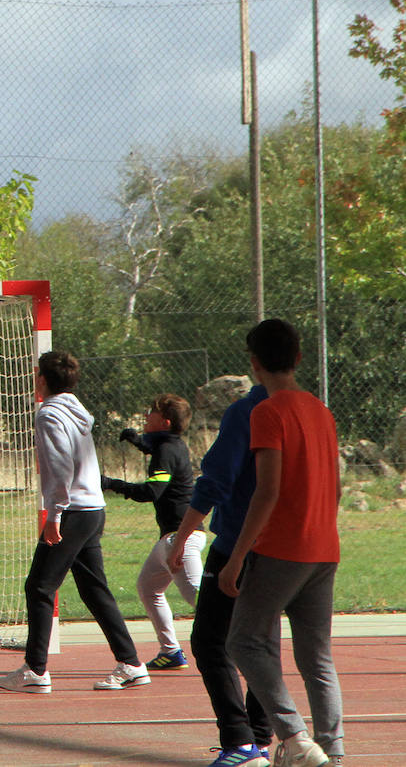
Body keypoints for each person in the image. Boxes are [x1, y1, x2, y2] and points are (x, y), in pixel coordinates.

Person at [219, 320, 343, 767]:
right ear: (299, 358)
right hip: (324, 547)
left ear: (254, 364)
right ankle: (333, 751)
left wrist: (235, 559)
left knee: (244, 642)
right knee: (317, 657)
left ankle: (295, 738)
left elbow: (266, 491)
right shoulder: (320, 410)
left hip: (282, 549)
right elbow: (338, 489)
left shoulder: (267, 413)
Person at [0, 350, 149, 694]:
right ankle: (131, 663)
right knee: (94, 590)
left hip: (74, 512)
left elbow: (61, 465)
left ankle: (35, 670)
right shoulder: (76, 413)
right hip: (93, 509)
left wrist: (55, 514)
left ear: (43, 380)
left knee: (40, 586)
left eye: (37, 376)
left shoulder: (49, 414)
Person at [167, 379, 273, 766]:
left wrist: (181, 538)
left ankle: (240, 741)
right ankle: (263, 737)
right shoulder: (309, 410)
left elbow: (215, 480)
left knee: (211, 641)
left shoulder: (247, 412)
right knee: (263, 642)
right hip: (288, 550)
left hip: (238, 544)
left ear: (256, 362)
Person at [100, 393, 204, 670]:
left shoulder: (166, 450)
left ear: (165, 422)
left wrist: (111, 483)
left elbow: (151, 491)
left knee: (199, 595)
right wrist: (137, 441)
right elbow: (156, 450)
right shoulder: (169, 444)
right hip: (172, 537)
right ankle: (170, 653)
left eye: (152, 413)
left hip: (181, 536)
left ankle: (243, 638)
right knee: (149, 588)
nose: (146, 415)